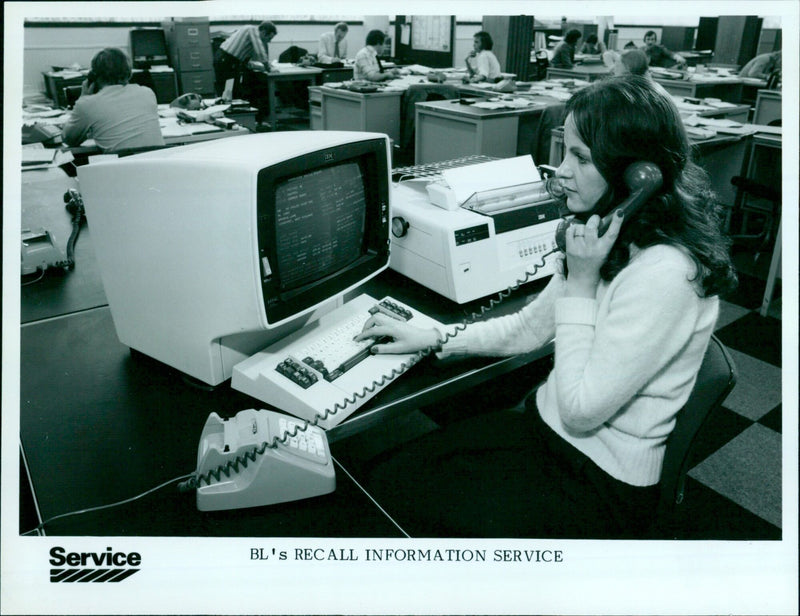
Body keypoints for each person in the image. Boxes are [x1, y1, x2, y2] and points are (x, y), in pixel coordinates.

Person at [355, 74, 738, 538]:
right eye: (564, 151)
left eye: (580, 157)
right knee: (392, 470)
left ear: (637, 173)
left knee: (391, 496)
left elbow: (581, 410)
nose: (560, 171)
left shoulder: (667, 273)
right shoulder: (613, 234)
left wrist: (581, 281)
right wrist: (435, 337)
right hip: (549, 430)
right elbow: (529, 328)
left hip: (598, 478)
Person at [61, 48, 164, 152]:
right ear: (129, 72)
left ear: (94, 75)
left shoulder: (87, 103)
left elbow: (69, 140)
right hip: (157, 164)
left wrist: (83, 96)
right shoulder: (147, 93)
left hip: (119, 166)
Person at [213, 21, 278, 123]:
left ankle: (233, 121)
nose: (268, 41)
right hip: (226, 60)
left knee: (231, 93)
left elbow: (247, 62)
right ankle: (228, 121)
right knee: (228, 93)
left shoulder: (250, 40)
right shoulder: (251, 29)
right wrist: (268, 67)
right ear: (264, 32)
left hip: (228, 61)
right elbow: (260, 52)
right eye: (269, 38)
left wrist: (263, 67)